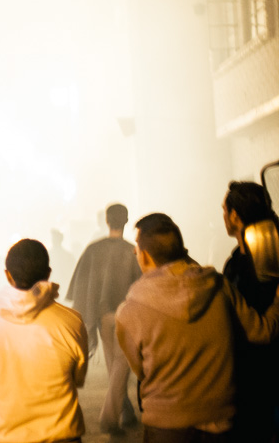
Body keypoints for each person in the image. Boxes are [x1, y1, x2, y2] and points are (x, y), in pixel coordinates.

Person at [116, 213, 279, 442]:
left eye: (137, 247)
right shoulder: (220, 287)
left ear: (144, 255)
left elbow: (141, 370)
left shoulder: (128, 312)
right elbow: (262, 332)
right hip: (221, 423)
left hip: (165, 426)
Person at [0, 239, 87, 443]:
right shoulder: (71, 322)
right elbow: (78, 378)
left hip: (5, 436)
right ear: (48, 272)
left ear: (8, 276)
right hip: (62, 435)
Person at [66, 203, 140, 434]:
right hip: (125, 314)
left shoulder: (93, 249)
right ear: (126, 221)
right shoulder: (133, 251)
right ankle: (111, 418)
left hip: (101, 315)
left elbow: (82, 284)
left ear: (106, 221)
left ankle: (125, 411)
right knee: (122, 364)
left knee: (113, 364)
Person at [221, 181, 279, 442]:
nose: (224, 217)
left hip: (255, 368)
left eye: (225, 211)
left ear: (235, 215)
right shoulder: (241, 258)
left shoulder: (241, 265)